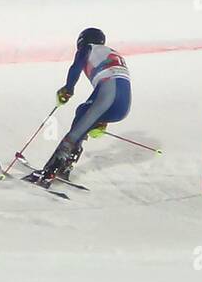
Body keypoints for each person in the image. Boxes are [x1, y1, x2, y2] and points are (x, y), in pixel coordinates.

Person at [38, 28, 132, 180]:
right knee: (83, 111)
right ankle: (65, 165)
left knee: (79, 125)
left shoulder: (88, 48)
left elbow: (76, 68)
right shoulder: (113, 52)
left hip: (108, 94)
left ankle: (51, 171)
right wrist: (101, 120)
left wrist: (68, 89)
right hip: (123, 106)